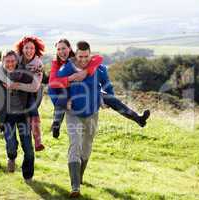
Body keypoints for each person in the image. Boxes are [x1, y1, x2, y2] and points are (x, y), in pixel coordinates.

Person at [56, 41, 150, 197]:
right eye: (80, 56)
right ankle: (75, 187)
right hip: (73, 114)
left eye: (86, 56)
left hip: (92, 113)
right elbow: (58, 89)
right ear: (76, 54)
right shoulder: (66, 69)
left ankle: (138, 118)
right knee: (75, 145)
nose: (84, 59)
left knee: (86, 147)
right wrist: (62, 108)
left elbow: (107, 85)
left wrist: (106, 99)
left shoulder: (99, 69)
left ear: (90, 54)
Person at [48, 39, 150, 140]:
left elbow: (98, 58)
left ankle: (138, 119)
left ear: (70, 48)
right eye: (58, 49)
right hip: (66, 90)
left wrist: (86, 71)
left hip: (88, 90)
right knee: (61, 100)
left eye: (64, 48)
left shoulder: (78, 56)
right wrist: (71, 78)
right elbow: (52, 84)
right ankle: (56, 125)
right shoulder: (56, 64)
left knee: (112, 100)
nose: (61, 51)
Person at [0, 50, 34, 182]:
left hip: (23, 116)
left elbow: (34, 91)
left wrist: (32, 111)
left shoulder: (25, 74)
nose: (10, 64)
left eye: (13, 61)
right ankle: (11, 157)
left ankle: (28, 176)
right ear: (2, 62)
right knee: (11, 144)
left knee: (28, 148)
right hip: (6, 117)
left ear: (17, 61)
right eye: (7, 61)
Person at [0, 36, 45, 151]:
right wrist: (9, 82)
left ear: (35, 49)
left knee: (33, 110)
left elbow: (35, 87)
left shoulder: (38, 64)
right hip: (14, 91)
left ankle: (38, 141)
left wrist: (17, 85)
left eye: (32, 48)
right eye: (26, 48)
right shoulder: (17, 57)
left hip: (31, 92)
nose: (29, 51)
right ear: (22, 48)